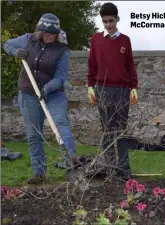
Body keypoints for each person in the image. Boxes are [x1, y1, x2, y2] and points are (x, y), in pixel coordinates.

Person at [3, 13, 76, 184]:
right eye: (46, 32)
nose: (50, 35)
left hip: (54, 93)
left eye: (53, 33)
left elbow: (60, 78)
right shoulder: (28, 39)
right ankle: (39, 172)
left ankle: (72, 167)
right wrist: (15, 52)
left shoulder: (62, 51)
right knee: (33, 134)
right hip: (28, 92)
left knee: (61, 126)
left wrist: (47, 89)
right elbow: (6, 44)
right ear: (40, 30)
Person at [87, 2, 138, 181]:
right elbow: (92, 64)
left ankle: (124, 170)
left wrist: (133, 87)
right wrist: (90, 86)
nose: (108, 25)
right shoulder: (96, 40)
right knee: (108, 131)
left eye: (111, 21)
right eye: (105, 22)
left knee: (121, 131)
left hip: (122, 90)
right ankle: (110, 170)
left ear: (117, 19)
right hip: (102, 89)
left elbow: (130, 65)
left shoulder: (125, 40)